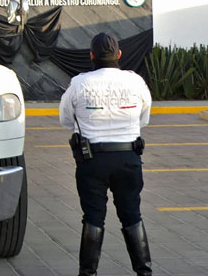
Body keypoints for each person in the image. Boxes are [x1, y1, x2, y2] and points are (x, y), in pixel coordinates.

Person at [59, 32, 153, 276]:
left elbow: (66, 120)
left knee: (93, 217)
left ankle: (88, 273)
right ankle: (144, 272)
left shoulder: (79, 83)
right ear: (119, 55)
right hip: (129, 158)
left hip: (93, 161)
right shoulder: (136, 82)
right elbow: (144, 118)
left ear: (91, 56)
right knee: (132, 215)